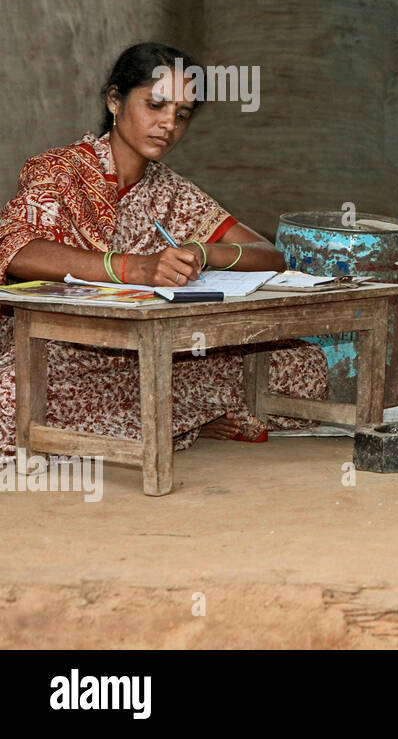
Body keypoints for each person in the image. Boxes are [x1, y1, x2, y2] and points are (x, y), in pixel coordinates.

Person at [0, 43, 329, 457]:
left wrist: (205, 252)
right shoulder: (60, 170)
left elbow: (269, 255)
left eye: (182, 114)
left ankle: (168, 418)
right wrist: (136, 269)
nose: (168, 124)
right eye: (156, 105)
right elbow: (18, 252)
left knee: (303, 365)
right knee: (9, 401)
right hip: (67, 352)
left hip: (159, 352)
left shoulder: (172, 190)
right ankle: (184, 418)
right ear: (115, 100)